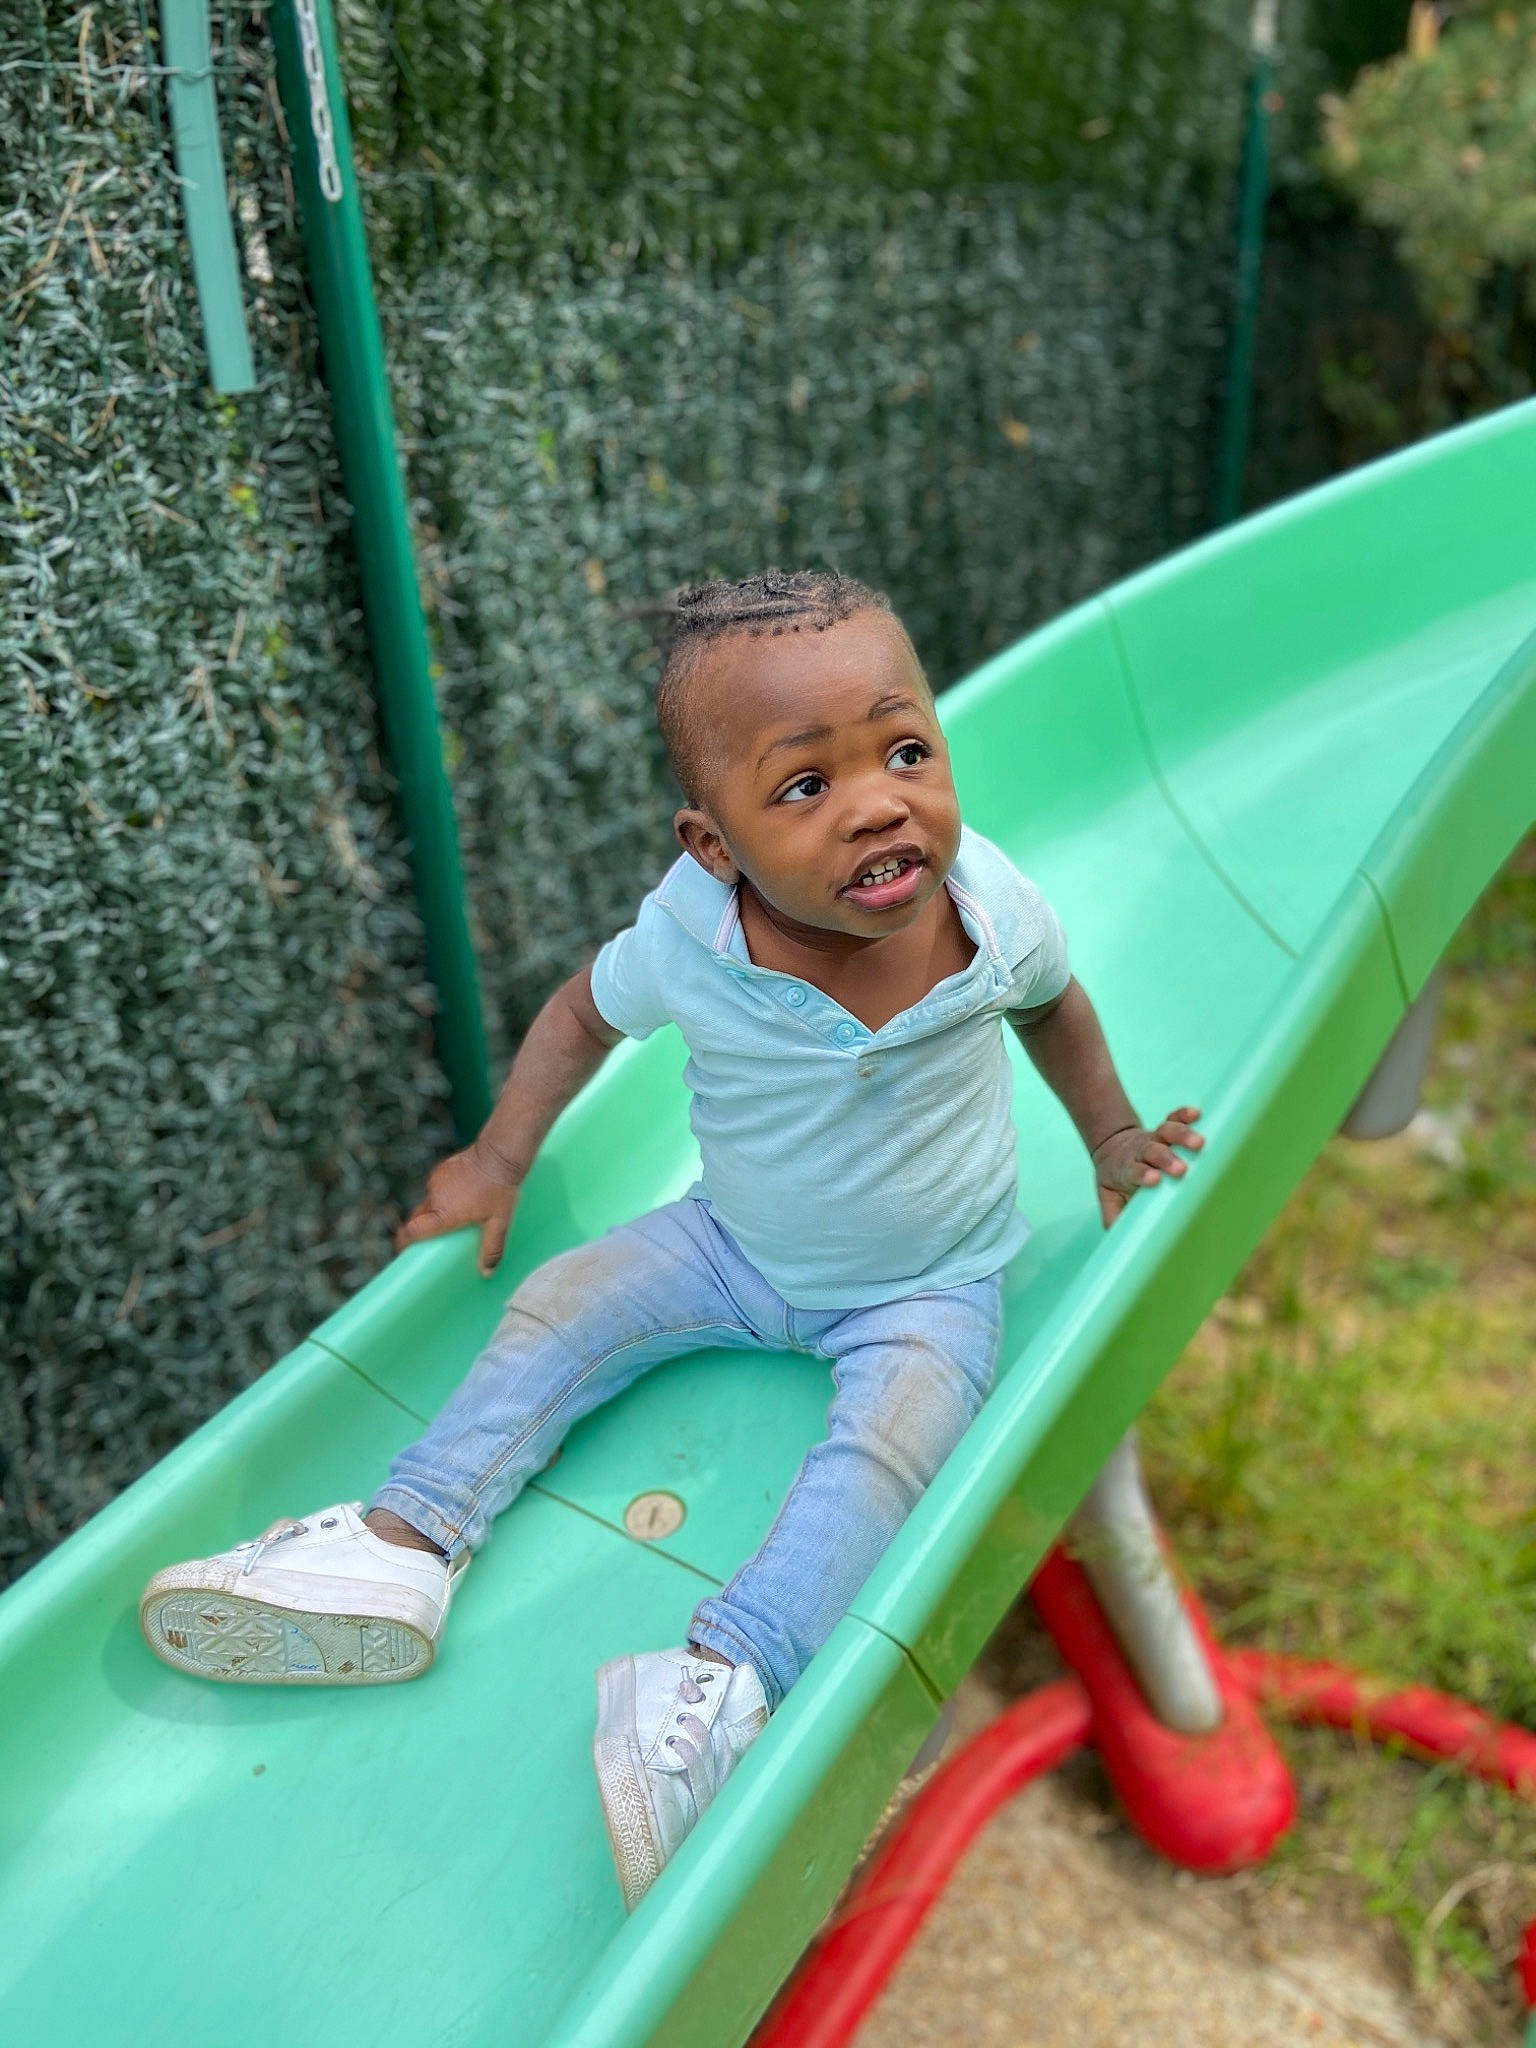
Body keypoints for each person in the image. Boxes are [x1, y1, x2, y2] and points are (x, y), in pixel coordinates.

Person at [140, 569, 1203, 1910]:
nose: (880, 800)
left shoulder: (990, 913)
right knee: (563, 1304)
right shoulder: (691, 937)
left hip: (929, 1290)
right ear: (714, 845)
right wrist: (494, 1160)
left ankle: (721, 1685)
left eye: (906, 750)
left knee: (892, 1458)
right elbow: (582, 1016)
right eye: (804, 787)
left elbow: (1056, 1008)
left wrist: (1109, 1137)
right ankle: (404, 1546)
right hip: (733, 1246)